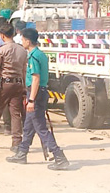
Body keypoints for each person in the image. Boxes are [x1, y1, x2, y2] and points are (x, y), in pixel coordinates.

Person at [6, 28, 70, 170]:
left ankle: (59, 156)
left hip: (36, 93)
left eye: (23, 40)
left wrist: (31, 100)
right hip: (40, 92)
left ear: (28, 41)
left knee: (40, 127)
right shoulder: (40, 54)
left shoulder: (34, 56)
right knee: (28, 126)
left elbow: (35, 79)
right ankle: (22, 153)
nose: (22, 42)